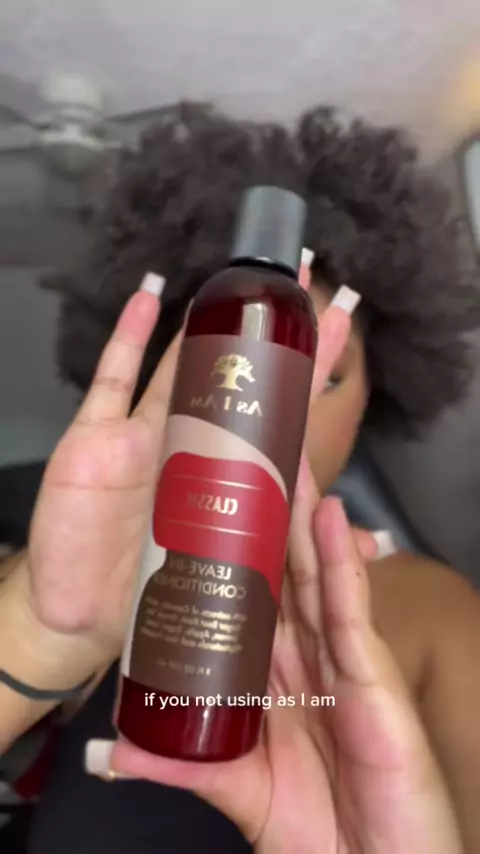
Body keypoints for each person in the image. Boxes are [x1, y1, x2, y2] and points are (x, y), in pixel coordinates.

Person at [0, 100, 479, 850]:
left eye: (324, 375)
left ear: (377, 396)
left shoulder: (440, 614)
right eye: (233, 372)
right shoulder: (111, 586)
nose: (276, 408)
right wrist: (35, 634)